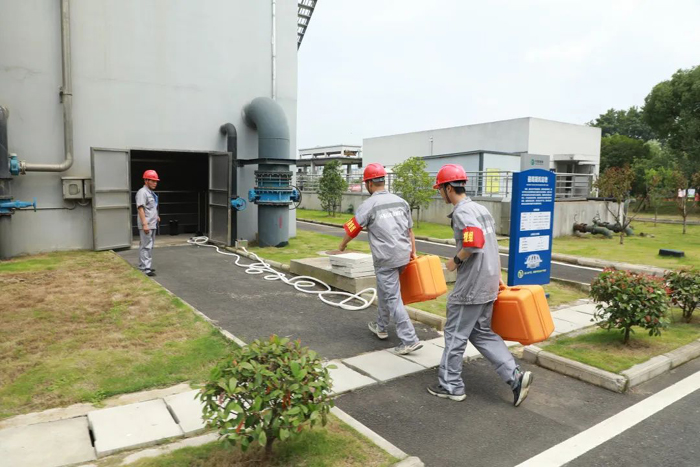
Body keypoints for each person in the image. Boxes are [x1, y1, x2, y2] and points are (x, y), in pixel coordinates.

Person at [427, 164, 533, 406]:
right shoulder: (481, 209)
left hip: (471, 285)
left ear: (448, 188)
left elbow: (474, 243)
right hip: (488, 280)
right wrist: (497, 275)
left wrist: (454, 261)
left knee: (455, 334)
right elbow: (491, 244)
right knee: (481, 332)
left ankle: (451, 386)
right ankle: (515, 377)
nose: (440, 194)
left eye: (440, 189)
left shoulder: (462, 212)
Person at [338, 163, 423, 355]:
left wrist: (341, 246)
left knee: (392, 297)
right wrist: (413, 252)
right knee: (386, 290)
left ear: (369, 183)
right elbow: (410, 230)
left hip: (386, 258)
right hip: (403, 255)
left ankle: (410, 339)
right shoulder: (401, 202)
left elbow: (353, 229)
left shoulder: (368, 205)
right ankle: (381, 326)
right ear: (383, 181)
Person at [136, 170, 160, 277]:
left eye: (156, 181)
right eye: (153, 181)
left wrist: (156, 216)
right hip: (147, 224)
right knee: (146, 246)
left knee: (147, 245)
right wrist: (144, 224)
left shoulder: (150, 193)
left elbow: (151, 207)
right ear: (146, 180)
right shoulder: (142, 192)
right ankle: (146, 268)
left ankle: (144, 265)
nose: (155, 183)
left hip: (152, 223)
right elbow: (140, 208)